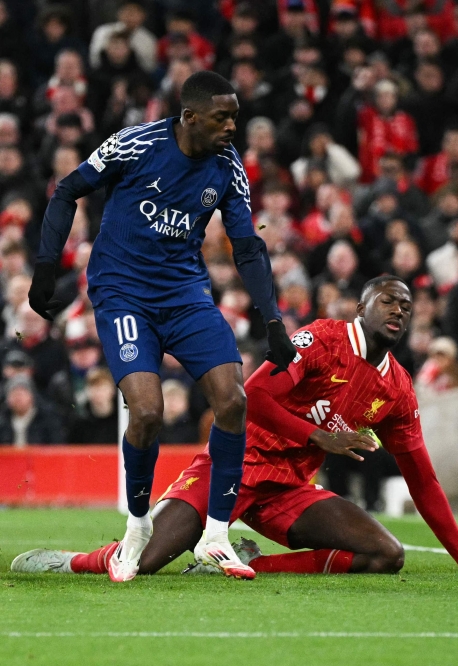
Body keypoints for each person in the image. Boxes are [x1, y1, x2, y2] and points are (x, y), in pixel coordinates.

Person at [12, 276, 458, 576]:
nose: (399, 310)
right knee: (142, 562)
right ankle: (73, 560)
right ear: (361, 308)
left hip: (289, 488)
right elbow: (253, 397)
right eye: (388, 301)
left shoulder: (398, 389)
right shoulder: (320, 339)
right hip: (234, 465)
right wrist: (319, 437)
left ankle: (248, 560)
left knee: (386, 555)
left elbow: (423, 477)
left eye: (406, 306)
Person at [26, 71, 298, 582]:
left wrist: (273, 320)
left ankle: (216, 535)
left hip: (185, 297)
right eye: (223, 117)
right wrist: (46, 266)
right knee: (147, 411)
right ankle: (136, 528)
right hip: (122, 293)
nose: (232, 127)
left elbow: (247, 245)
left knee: (234, 400)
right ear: (190, 117)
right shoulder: (136, 144)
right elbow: (67, 191)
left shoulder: (227, 167)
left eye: (235, 116)